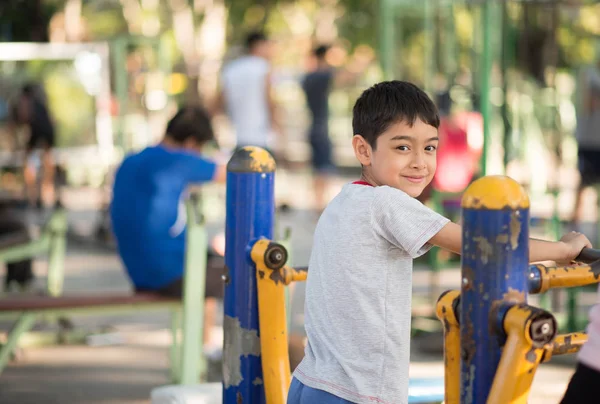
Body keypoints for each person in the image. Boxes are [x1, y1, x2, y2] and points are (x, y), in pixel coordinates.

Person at [287, 81, 592, 404]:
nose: (420, 161)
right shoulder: (386, 203)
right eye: (403, 148)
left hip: (311, 382)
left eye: (430, 148)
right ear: (363, 149)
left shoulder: (345, 200)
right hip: (357, 392)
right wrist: (563, 250)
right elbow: (482, 248)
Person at [110, 106, 226, 351]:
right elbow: (239, 171)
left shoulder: (130, 161)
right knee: (259, 277)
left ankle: (204, 351)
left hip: (139, 272)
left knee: (211, 264)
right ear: (192, 143)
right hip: (168, 274)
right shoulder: (176, 160)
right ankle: (253, 362)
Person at [214, 31, 280, 152]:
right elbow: (270, 100)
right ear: (259, 45)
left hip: (234, 136)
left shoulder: (231, 69)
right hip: (260, 136)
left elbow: (219, 101)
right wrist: (277, 126)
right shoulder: (264, 67)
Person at [10, 83, 56, 208]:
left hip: (40, 133)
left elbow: (24, 118)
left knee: (31, 164)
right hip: (46, 133)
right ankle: (44, 197)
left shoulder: (27, 102)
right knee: (45, 165)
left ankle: (34, 198)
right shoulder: (40, 103)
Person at [572, 61, 600, 225]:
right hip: (589, 141)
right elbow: (588, 103)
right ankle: (574, 225)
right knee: (583, 184)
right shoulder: (588, 74)